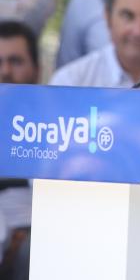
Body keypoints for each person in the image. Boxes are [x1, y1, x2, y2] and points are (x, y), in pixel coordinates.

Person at [0, 21, 39, 280]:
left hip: (33, 224)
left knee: (36, 250)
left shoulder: (54, 121)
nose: (5, 71)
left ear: (37, 69)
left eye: (15, 61)